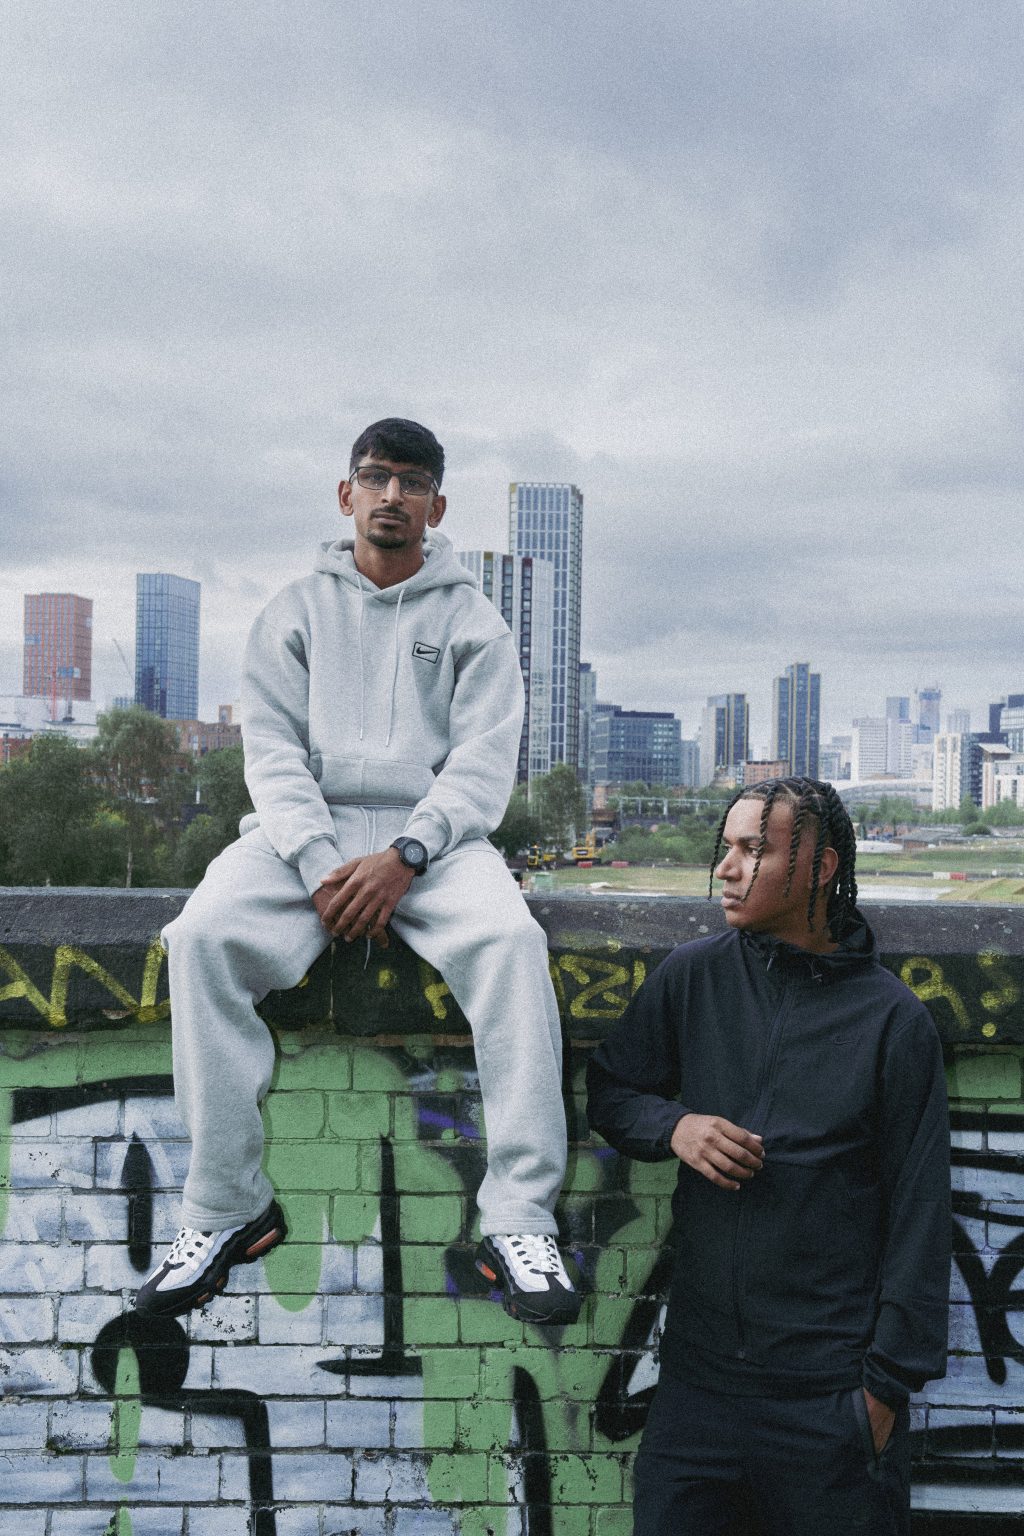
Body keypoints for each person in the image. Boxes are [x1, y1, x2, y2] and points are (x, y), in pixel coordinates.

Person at [136, 417, 579, 1326]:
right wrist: (317, 861)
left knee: (512, 943)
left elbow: (482, 766)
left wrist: (409, 854)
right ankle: (225, 1205)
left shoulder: (475, 621)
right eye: (375, 478)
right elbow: (271, 755)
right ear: (346, 494)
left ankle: (519, 1218)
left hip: (435, 845)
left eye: (412, 483)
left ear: (436, 506)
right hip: (308, 834)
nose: (391, 496)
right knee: (203, 937)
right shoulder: (294, 611)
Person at [586, 777, 950, 1536]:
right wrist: (676, 1127)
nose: (725, 867)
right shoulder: (694, 975)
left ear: (820, 867)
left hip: (830, 1404)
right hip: (696, 1396)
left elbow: (921, 1213)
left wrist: (882, 1393)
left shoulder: (891, 1019)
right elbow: (613, 1090)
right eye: (727, 848)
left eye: (754, 850)